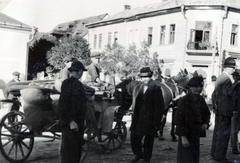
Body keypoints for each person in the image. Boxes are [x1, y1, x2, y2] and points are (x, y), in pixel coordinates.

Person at [130, 67, 164, 162]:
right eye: (142, 77)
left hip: (150, 119)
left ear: (151, 76)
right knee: (134, 137)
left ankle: (146, 158)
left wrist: (156, 123)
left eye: (147, 77)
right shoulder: (139, 87)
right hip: (139, 118)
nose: (144, 79)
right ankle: (138, 154)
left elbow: (159, 107)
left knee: (148, 140)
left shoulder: (156, 88)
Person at [174, 76, 211, 163]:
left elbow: (207, 113)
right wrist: (183, 137)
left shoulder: (201, 99)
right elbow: (178, 120)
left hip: (196, 134)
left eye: (200, 87)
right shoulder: (184, 100)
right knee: (185, 158)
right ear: (190, 87)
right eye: (196, 87)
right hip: (186, 134)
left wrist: (206, 123)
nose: (198, 89)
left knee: (194, 158)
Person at [58, 60, 88, 163]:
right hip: (70, 125)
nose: (80, 73)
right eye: (79, 71)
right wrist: (70, 121)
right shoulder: (67, 84)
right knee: (68, 153)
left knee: (77, 152)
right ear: (77, 71)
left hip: (78, 123)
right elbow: (62, 105)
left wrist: (82, 119)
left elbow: (81, 104)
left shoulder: (79, 84)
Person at [211, 57, 237, 162]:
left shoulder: (220, 77)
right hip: (225, 111)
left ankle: (215, 153)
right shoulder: (226, 79)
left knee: (217, 133)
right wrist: (236, 85)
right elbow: (227, 94)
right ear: (229, 68)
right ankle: (220, 156)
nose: (234, 70)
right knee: (224, 135)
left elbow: (214, 95)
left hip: (220, 111)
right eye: (233, 68)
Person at [230, 69, 240, 154]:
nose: (233, 77)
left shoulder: (235, 85)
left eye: (235, 75)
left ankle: (234, 147)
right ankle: (234, 148)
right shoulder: (236, 85)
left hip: (235, 110)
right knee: (235, 131)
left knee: (234, 131)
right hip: (236, 111)